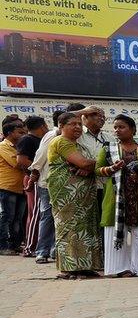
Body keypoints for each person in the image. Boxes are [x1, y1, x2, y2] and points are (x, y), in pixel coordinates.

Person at [97, 115, 138, 277]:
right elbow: (98, 169)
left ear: (132, 129)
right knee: (116, 233)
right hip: (116, 196)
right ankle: (119, 269)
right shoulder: (108, 148)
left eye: (121, 127)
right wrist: (112, 169)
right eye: (115, 127)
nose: (117, 130)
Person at [46, 112, 102, 278]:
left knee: (85, 227)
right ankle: (69, 268)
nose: (77, 127)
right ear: (61, 126)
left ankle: (85, 266)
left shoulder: (78, 145)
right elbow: (84, 163)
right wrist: (103, 162)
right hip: (67, 196)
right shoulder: (62, 142)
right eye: (73, 124)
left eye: (79, 124)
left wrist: (89, 166)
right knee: (69, 229)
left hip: (83, 197)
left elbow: (86, 164)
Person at [28, 110, 63, 264]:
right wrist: (33, 177)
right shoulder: (52, 135)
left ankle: (54, 250)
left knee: (60, 217)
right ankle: (42, 251)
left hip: (63, 184)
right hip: (47, 183)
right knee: (48, 217)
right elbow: (40, 157)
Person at [17, 116, 48, 257]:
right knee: (35, 214)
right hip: (33, 179)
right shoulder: (27, 139)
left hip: (38, 178)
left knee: (39, 214)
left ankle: (37, 245)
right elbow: (21, 160)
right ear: (42, 125)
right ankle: (30, 247)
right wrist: (37, 170)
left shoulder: (40, 139)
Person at [0, 119, 27, 255]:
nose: (23, 134)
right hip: (7, 187)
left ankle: (15, 245)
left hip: (20, 187)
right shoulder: (3, 146)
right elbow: (16, 163)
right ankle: (3, 246)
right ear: (10, 133)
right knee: (7, 217)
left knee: (18, 218)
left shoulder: (18, 146)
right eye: (20, 132)